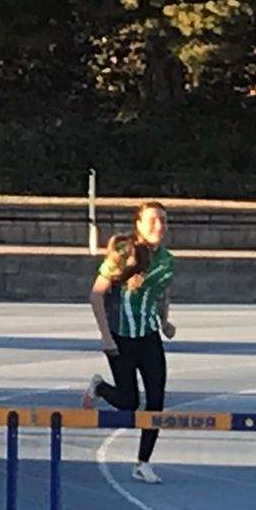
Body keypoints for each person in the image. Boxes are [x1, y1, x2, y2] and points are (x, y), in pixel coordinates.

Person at [83, 204, 177, 484]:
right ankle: (100, 386)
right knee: (129, 402)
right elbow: (96, 296)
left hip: (148, 337)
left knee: (156, 401)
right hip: (121, 337)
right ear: (138, 225)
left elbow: (162, 293)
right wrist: (106, 337)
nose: (158, 226)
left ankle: (143, 463)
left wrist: (165, 321)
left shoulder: (168, 260)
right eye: (152, 221)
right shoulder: (124, 253)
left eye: (162, 220)